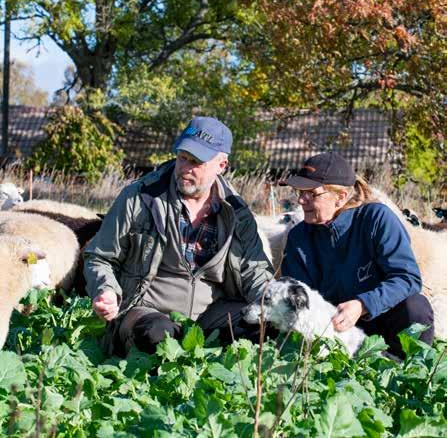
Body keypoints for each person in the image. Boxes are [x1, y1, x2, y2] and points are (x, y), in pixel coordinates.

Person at [83, 116, 273, 356]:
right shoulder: (140, 198)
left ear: (221, 165)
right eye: (182, 157)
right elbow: (99, 257)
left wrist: (274, 302)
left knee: (265, 327)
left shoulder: (237, 214)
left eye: (196, 162)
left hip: (211, 315)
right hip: (147, 310)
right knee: (158, 336)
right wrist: (106, 289)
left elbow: (255, 271)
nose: (184, 169)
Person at [281, 151, 434, 359]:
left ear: (341, 197)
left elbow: (407, 278)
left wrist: (363, 305)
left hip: (380, 321)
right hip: (334, 331)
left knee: (416, 307)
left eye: (311, 193)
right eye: (299, 191)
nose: (300, 200)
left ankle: (411, 372)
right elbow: (297, 296)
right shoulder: (299, 238)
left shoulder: (377, 219)